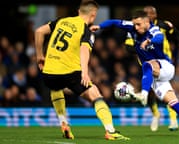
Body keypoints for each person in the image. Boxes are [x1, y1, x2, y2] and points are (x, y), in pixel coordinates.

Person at [90, 10, 179, 138]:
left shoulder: (154, 30)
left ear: (147, 22)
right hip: (155, 76)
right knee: (174, 103)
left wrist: (148, 41)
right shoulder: (132, 26)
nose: (136, 27)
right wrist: (100, 26)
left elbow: (160, 38)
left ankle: (144, 94)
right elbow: (114, 22)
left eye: (139, 24)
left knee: (147, 64)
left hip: (165, 66)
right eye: (134, 24)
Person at [34, 0, 129, 140]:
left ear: (79, 11)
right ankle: (111, 131)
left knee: (56, 88)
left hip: (48, 72)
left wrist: (40, 56)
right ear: (93, 15)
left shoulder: (61, 21)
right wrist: (84, 72)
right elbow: (84, 50)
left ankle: (63, 123)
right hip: (70, 73)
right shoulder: (86, 30)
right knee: (95, 94)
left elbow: (39, 31)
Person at [125, 5, 179, 132]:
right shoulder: (135, 29)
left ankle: (173, 119)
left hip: (164, 62)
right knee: (150, 91)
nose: (148, 15)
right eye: (145, 13)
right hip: (147, 62)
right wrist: (141, 48)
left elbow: (176, 33)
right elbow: (127, 47)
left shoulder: (163, 26)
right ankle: (156, 114)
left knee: (167, 89)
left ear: (155, 15)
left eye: (150, 13)